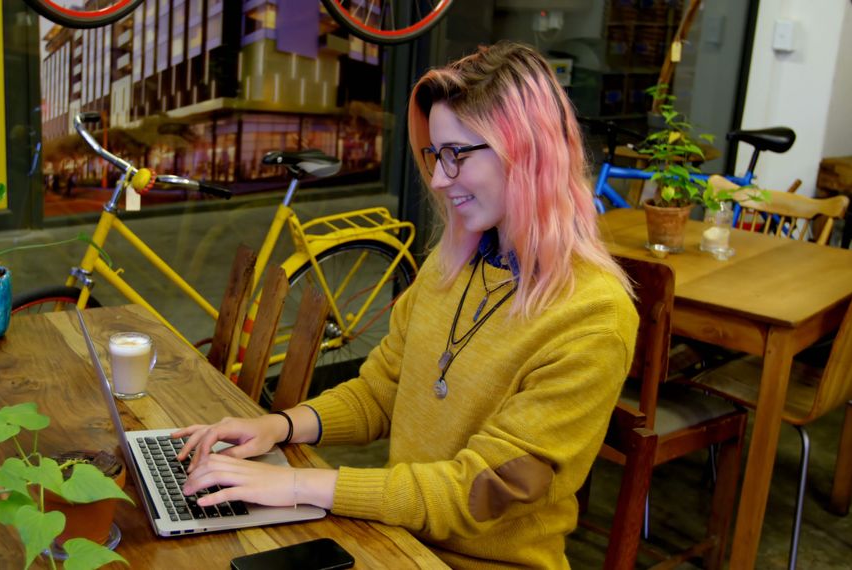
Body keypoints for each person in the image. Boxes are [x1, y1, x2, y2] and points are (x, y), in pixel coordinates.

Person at [174, 42, 639, 569]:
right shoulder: (457, 262)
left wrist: (298, 483)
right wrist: (278, 427)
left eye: (457, 155)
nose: (439, 180)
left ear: (528, 152)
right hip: (397, 540)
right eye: (435, 156)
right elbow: (381, 392)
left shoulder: (593, 317)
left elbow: (476, 492)